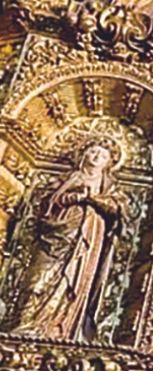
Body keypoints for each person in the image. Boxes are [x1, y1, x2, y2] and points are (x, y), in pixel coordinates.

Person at [13, 142, 124, 340]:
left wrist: (92, 199)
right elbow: (47, 202)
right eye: (93, 150)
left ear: (109, 162)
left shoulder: (108, 185)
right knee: (36, 281)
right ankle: (24, 325)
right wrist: (73, 197)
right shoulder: (67, 178)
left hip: (87, 236)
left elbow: (117, 209)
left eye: (103, 155)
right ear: (83, 153)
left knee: (72, 281)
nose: (97, 156)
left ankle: (58, 328)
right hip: (56, 233)